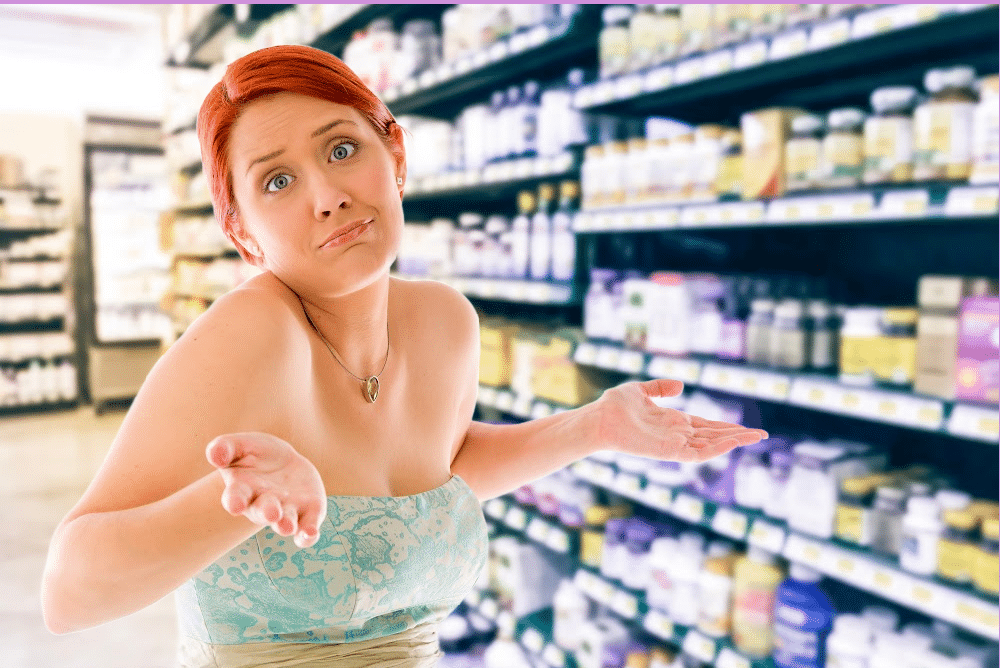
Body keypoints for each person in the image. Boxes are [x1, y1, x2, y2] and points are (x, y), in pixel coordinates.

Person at [40, 45, 767, 667]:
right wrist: (235, 503)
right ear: (244, 232)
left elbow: (433, 478)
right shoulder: (247, 337)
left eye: (342, 149)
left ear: (395, 156)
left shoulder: (445, 321)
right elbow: (68, 594)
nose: (326, 195)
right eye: (278, 181)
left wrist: (591, 429)